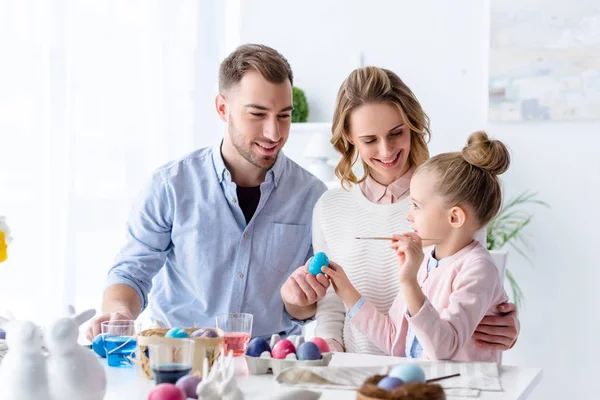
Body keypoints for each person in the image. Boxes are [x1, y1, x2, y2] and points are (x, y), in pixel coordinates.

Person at [86, 44, 329, 341]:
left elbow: (305, 309)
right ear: (222, 108)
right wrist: (120, 312)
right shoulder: (171, 185)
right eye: (258, 114)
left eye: (284, 116)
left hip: (267, 364)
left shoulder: (312, 196)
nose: (274, 133)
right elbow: (131, 272)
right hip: (178, 356)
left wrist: (300, 302)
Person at [308, 66, 519, 354]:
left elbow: (474, 290)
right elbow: (334, 311)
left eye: (397, 133)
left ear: (413, 124)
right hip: (355, 376)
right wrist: (327, 353)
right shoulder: (329, 208)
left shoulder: (450, 202)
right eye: (370, 140)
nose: (386, 150)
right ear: (348, 136)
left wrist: (502, 323)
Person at [323, 131, 510, 363]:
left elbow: (444, 348)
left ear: (454, 218)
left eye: (416, 205)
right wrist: (346, 290)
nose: (409, 216)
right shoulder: (427, 262)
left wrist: (409, 282)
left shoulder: (477, 269)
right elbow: (394, 340)